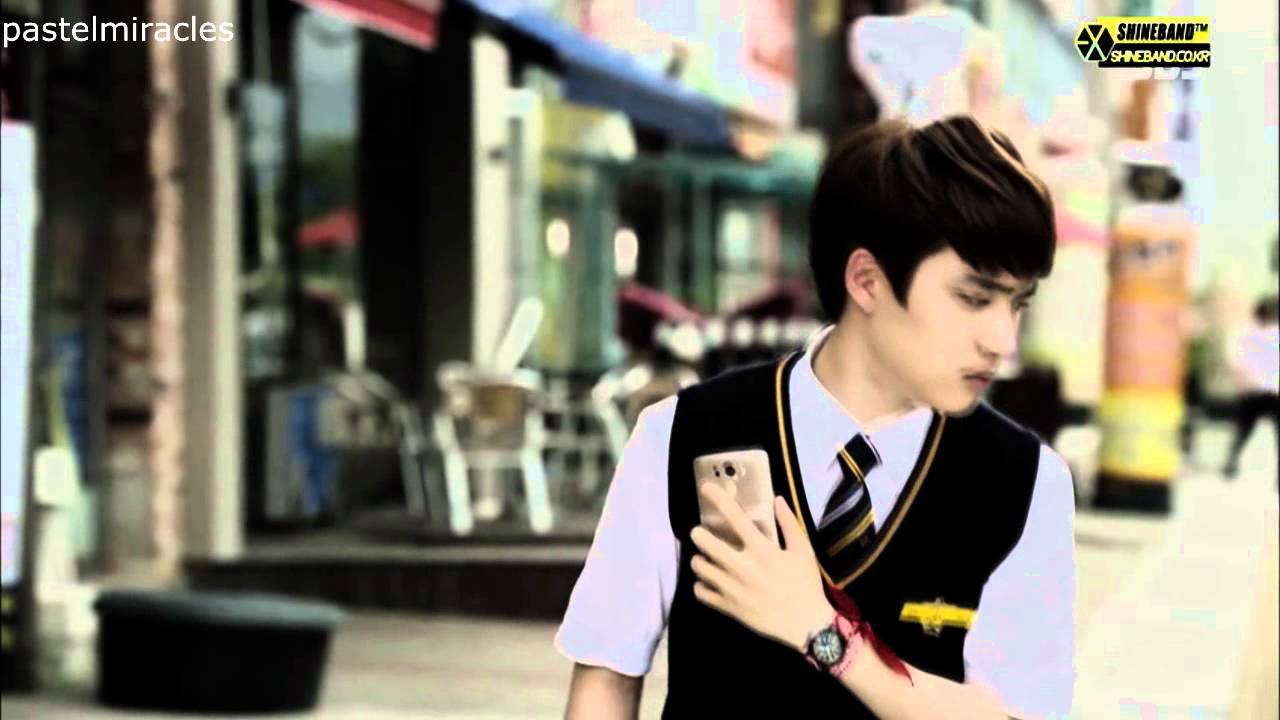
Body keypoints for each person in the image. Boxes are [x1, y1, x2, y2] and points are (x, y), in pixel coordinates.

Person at [555, 116, 1076, 719]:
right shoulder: (679, 435)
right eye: (974, 298)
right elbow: (606, 678)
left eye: (1017, 303)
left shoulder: (1024, 483)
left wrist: (824, 636)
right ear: (867, 281)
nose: (1002, 341)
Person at [1222, 295, 1280, 479]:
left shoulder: (1241, 332)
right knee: (1245, 429)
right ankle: (1231, 462)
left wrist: (1240, 381)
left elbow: (1233, 361)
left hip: (1251, 390)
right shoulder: (1265, 333)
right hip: (1271, 390)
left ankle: (1231, 462)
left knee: (1242, 429)